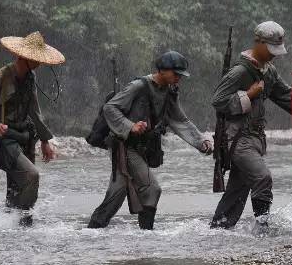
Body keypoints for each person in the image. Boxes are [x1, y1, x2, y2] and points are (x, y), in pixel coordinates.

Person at [88, 51, 214, 230]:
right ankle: (147, 235)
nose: (178, 78)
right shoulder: (138, 86)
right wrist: (130, 126)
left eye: (180, 75)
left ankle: (91, 232)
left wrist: (201, 141)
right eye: (175, 73)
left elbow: (179, 120)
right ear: (162, 70)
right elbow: (110, 108)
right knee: (152, 189)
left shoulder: (169, 91)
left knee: (116, 195)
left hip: (141, 148)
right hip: (124, 147)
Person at [209, 21, 292, 233]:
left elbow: (287, 98)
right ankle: (262, 228)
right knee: (262, 177)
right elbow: (218, 101)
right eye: (271, 49)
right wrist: (248, 95)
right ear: (259, 43)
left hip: (255, 139)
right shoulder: (239, 72)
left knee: (237, 190)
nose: (274, 54)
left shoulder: (269, 71)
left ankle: (218, 230)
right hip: (238, 139)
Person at [0, 31, 63, 224]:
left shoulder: (30, 78)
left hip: (24, 138)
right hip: (3, 140)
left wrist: (45, 140)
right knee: (32, 175)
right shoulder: (0, 77)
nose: (39, 62)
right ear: (23, 57)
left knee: (17, 188)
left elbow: (35, 112)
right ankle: (21, 220)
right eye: (36, 58)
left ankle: (14, 227)